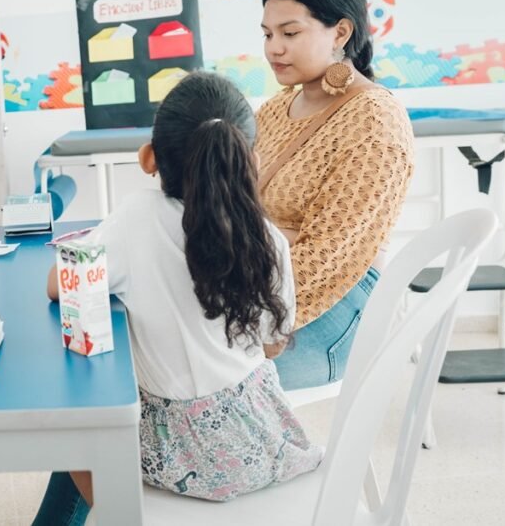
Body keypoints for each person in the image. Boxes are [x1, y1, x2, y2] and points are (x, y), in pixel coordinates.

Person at [32, 72, 322, 524]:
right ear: (253, 162)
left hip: (183, 454)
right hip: (261, 439)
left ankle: (115, 516)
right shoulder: (268, 239)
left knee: (74, 428)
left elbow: (60, 283)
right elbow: (273, 343)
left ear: (149, 158)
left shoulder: (136, 219)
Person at [256, 0, 414, 390]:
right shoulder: (274, 111)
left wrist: (257, 322)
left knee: (178, 376)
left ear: (341, 32)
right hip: (264, 286)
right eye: (268, 34)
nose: (274, 48)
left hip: (337, 307)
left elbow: (330, 257)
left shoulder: (374, 120)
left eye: (290, 33)